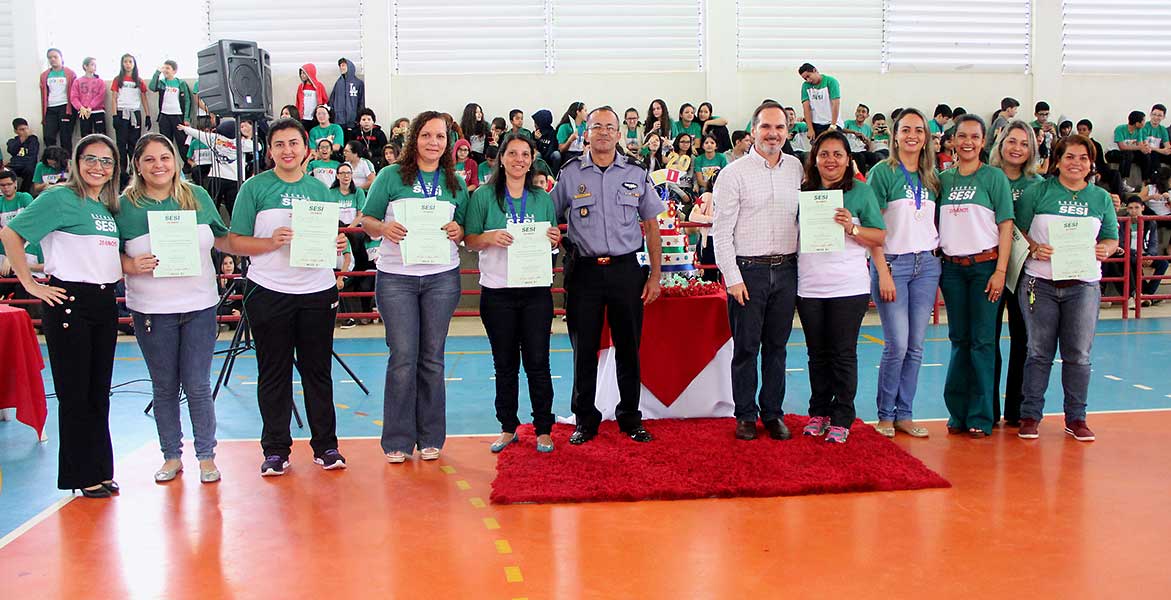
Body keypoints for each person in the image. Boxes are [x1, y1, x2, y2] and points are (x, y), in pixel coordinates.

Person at [0, 134, 122, 497]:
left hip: (103, 301)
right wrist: (31, 285)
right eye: (91, 159)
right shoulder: (58, 198)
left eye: (106, 161)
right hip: (70, 300)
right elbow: (11, 235)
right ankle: (79, 474)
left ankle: (99, 470)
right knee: (75, 392)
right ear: (75, 162)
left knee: (99, 391)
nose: (98, 167)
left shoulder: (105, 208)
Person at [228, 118, 348, 476]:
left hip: (315, 292)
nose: (287, 150)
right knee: (273, 372)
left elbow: (332, 242)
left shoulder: (320, 190)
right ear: (270, 150)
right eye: (279, 144)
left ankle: (326, 446)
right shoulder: (254, 188)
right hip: (268, 291)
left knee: (318, 371)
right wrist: (270, 243)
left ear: (306, 149)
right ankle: (276, 449)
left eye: (294, 143)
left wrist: (338, 243)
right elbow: (235, 242)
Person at [114, 133, 230, 483]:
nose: (159, 165)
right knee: (164, 386)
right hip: (151, 309)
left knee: (197, 384)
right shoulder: (124, 205)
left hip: (199, 306)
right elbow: (106, 250)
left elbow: (224, 237)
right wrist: (131, 265)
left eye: (165, 157)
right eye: (149, 159)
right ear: (137, 164)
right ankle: (171, 455)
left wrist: (270, 245)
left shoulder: (198, 197)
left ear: (176, 161)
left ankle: (206, 456)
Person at [361, 111, 467, 463]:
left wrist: (459, 231)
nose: (433, 142)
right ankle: (397, 440)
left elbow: (464, 226)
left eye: (440, 137)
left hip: (442, 278)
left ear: (447, 142)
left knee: (433, 359)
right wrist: (383, 229)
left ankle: (431, 437)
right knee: (403, 358)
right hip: (396, 278)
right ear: (414, 140)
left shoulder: (455, 182)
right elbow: (367, 219)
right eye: (426, 135)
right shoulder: (391, 176)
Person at [552, 106, 661, 445]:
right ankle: (585, 419)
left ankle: (630, 417)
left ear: (619, 133)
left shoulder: (635, 172)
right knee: (584, 349)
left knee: (629, 347)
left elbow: (652, 224)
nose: (603, 132)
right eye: (596, 126)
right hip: (583, 271)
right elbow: (548, 215)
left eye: (609, 127)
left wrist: (655, 275)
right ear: (586, 132)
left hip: (627, 271)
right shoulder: (569, 173)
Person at [1015, 135, 1119, 441]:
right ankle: (1030, 415)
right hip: (1040, 282)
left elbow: (1111, 237)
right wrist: (1034, 247)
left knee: (1078, 354)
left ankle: (1076, 418)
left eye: (1083, 158)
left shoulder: (1100, 198)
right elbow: (1018, 231)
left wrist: (1107, 249)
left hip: (1083, 286)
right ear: (1057, 160)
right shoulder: (1038, 192)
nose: (1076, 163)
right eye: (1070, 156)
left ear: (1091, 163)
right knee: (1038, 352)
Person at [463, 133, 561, 453]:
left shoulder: (542, 197)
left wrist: (553, 236)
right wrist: (489, 236)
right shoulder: (483, 196)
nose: (519, 159)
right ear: (501, 157)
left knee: (538, 362)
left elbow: (552, 236)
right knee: (504, 364)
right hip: (498, 292)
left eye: (525, 154)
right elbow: (470, 239)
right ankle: (508, 427)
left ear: (532, 160)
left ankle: (543, 428)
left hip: (535, 291)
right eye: (513, 153)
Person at [712, 100, 801, 441]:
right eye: (766, 127)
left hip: (787, 268)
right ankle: (746, 415)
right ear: (752, 131)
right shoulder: (733, 173)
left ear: (787, 132)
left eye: (779, 127)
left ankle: (773, 413)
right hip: (748, 273)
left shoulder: (797, 168)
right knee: (747, 348)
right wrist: (732, 278)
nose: (773, 134)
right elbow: (721, 232)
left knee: (778, 348)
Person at [797, 131, 886, 444]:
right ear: (815, 159)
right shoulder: (804, 191)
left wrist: (853, 227)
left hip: (848, 287)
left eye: (837, 154)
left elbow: (879, 236)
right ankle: (818, 411)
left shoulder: (861, 192)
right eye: (824, 154)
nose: (830, 160)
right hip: (809, 286)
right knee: (816, 355)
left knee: (843, 354)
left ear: (849, 160)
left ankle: (842, 415)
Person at [937, 114, 1014, 437]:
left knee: (983, 342)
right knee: (959, 340)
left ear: (984, 142)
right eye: (962, 136)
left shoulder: (994, 178)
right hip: (952, 270)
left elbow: (1006, 226)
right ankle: (957, 413)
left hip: (985, 268)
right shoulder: (943, 179)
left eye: (974, 137)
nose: (967, 142)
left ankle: (981, 417)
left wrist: (999, 271)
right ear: (952, 141)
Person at [868, 107, 940, 439]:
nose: (912, 136)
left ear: (926, 138)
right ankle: (885, 414)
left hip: (926, 266)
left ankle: (905, 414)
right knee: (896, 344)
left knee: (916, 346)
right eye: (906, 129)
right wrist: (881, 271)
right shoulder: (883, 173)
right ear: (895, 135)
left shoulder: (932, 177)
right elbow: (873, 227)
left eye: (919, 131)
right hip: (893, 265)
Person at [989, 120, 1044, 427]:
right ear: (1001, 143)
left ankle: (1017, 410)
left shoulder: (1038, 184)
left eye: (1024, 144)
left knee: (1023, 339)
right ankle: (988, 407)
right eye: (1012, 141)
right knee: (989, 338)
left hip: (1026, 272)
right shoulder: (989, 177)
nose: (1017, 148)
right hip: (992, 269)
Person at [179, 118, 254, 215]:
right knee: (234, 210)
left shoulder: (214, 138)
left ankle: (212, 227)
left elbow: (198, 134)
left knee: (212, 207)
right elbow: (258, 147)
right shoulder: (242, 143)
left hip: (216, 178)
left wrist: (185, 128)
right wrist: (248, 137)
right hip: (234, 179)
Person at [1104, 197, 1167, 305]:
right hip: (1130, 253)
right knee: (1131, 261)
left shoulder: (1150, 222)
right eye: (1130, 208)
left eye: (1136, 207)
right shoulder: (1122, 222)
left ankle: (1148, 294)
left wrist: (1149, 255)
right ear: (1127, 209)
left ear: (1142, 208)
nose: (1133, 211)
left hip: (1145, 254)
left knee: (1163, 263)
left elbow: (1153, 242)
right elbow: (1122, 243)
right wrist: (1136, 254)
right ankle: (1139, 296)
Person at [332, 161, 368, 321]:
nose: (346, 176)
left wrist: (348, 229)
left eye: (349, 173)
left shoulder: (358, 192)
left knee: (357, 237)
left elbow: (361, 214)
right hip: (335, 230)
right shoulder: (331, 192)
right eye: (343, 173)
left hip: (353, 231)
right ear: (337, 175)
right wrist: (340, 229)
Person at [149, 61, 193, 156]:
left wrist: (186, 118)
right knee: (165, 142)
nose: (165, 70)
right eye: (164, 68)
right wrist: (157, 72)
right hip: (164, 116)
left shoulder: (180, 83)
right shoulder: (162, 83)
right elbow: (152, 87)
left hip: (177, 116)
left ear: (174, 70)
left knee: (182, 141)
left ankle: (187, 164)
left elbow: (187, 101)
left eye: (168, 68)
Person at [40, 48, 76, 150]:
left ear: (61, 58)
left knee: (65, 138)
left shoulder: (70, 73)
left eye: (55, 57)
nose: (52, 59)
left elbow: (74, 91)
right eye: (50, 58)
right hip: (51, 108)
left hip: (65, 107)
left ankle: (66, 162)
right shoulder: (45, 75)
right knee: (48, 136)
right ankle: (52, 160)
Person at [798, 63, 842, 140]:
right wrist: (810, 128)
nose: (808, 80)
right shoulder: (805, 86)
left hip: (832, 123)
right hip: (816, 124)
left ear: (815, 70)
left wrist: (833, 125)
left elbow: (836, 104)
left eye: (808, 76)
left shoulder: (831, 81)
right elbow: (806, 108)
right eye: (805, 79)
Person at [1107, 111, 1148, 190]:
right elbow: (1122, 147)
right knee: (1127, 154)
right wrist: (1140, 147)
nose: (1144, 123)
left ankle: (1145, 182)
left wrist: (1145, 149)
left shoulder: (1139, 130)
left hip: (1128, 153)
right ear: (1137, 123)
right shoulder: (1120, 129)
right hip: (1113, 153)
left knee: (1145, 156)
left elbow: (1140, 145)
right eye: (1143, 121)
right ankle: (1122, 181)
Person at [71, 58, 107, 138]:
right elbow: (74, 97)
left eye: (95, 65)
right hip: (83, 112)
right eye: (92, 65)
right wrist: (81, 108)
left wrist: (90, 107)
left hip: (98, 111)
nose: (95, 67)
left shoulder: (100, 81)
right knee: (86, 136)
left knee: (101, 135)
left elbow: (100, 96)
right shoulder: (77, 81)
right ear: (85, 66)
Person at [328, 58, 364, 136]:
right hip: (339, 120)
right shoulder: (338, 83)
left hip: (353, 120)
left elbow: (361, 102)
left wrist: (359, 117)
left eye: (343, 65)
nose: (341, 67)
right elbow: (332, 100)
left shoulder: (358, 83)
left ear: (349, 66)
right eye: (340, 66)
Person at [6, 119, 40, 194]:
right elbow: (12, 151)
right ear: (15, 131)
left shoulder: (33, 140)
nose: (25, 131)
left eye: (26, 128)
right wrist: (23, 138)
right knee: (6, 171)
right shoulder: (12, 141)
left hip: (27, 166)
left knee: (30, 170)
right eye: (21, 129)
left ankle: (23, 193)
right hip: (15, 166)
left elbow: (32, 156)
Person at [294, 64, 329, 133]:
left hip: (315, 118)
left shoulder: (319, 86)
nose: (302, 75)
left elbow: (325, 100)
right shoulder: (301, 87)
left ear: (310, 73)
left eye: (304, 73)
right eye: (301, 73)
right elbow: (298, 102)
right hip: (303, 118)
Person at [843, 103, 876, 172]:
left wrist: (866, 140)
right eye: (858, 111)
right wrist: (853, 132)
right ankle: (861, 179)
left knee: (874, 157)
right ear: (855, 113)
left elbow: (869, 146)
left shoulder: (868, 128)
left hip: (862, 150)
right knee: (860, 157)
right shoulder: (848, 123)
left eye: (863, 112)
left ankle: (872, 177)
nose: (860, 113)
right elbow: (840, 129)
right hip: (850, 151)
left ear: (867, 115)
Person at [1143, 104, 1171, 181]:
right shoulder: (1144, 127)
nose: (1156, 117)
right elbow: (1145, 145)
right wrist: (1161, 150)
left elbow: (1168, 148)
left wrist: (1164, 150)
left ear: (1163, 117)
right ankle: (1149, 182)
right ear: (1150, 114)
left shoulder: (1163, 129)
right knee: (1152, 155)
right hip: (1145, 152)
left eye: (1159, 115)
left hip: (1157, 152)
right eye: (1154, 114)